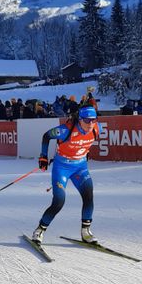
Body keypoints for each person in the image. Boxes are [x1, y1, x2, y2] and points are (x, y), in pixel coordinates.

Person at [31, 105, 100, 244]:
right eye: (87, 120)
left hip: (80, 167)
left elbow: (85, 144)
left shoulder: (97, 129)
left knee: (88, 196)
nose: (91, 124)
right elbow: (46, 136)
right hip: (62, 167)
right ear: (80, 120)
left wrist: (82, 153)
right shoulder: (65, 130)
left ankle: (86, 232)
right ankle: (40, 230)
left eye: (93, 120)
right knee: (59, 201)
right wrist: (43, 156)